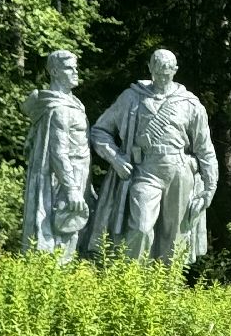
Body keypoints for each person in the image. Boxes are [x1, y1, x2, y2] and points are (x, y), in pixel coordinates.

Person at [86, 48, 218, 264]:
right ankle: (129, 283)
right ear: (149, 68)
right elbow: (100, 131)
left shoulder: (190, 104)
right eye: (157, 70)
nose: (162, 76)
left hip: (179, 171)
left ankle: (168, 291)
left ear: (175, 70)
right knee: (141, 227)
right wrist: (116, 158)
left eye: (167, 71)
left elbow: (205, 150)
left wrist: (210, 189)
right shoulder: (132, 98)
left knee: (176, 235)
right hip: (144, 170)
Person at [20, 50, 92, 263]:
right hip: (62, 180)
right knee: (61, 234)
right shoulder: (59, 109)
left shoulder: (75, 103)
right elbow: (59, 153)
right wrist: (71, 190)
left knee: (72, 235)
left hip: (79, 174)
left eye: (76, 67)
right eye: (70, 68)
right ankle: (52, 286)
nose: (75, 72)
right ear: (54, 72)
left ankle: (61, 286)